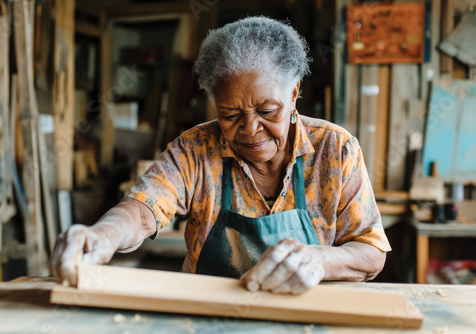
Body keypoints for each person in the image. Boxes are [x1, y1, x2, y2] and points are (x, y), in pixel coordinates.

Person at [50, 16, 391, 294]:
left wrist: (320, 260)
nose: (250, 128)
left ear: (293, 93)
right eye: (230, 115)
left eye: (268, 111)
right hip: (207, 317)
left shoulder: (335, 150)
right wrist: (103, 234)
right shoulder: (196, 149)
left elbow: (371, 253)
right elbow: (141, 210)